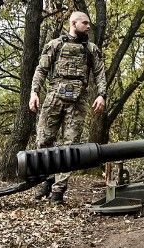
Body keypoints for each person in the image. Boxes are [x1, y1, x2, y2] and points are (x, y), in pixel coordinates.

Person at [29, 11, 107, 203]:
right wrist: (34, 92)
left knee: (69, 146)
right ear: (73, 23)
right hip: (54, 96)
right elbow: (41, 69)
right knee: (43, 141)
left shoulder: (91, 49)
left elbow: (99, 72)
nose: (89, 27)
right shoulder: (55, 45)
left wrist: (101, 95)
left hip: (78, 101)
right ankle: (47, 180)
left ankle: (58, 190)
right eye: (85, 23)